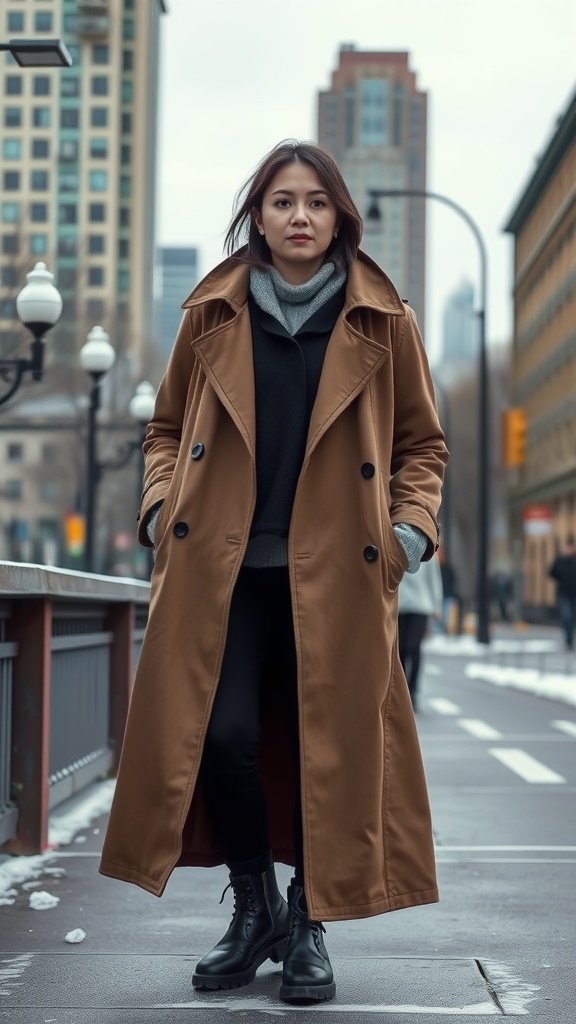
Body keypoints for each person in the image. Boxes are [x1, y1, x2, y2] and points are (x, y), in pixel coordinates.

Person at [99, 140, 448, 1005]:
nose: (300, 216)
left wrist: (407, 532)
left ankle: (308, 922)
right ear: (258, 215)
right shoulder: (210, 312)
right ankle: (253, 901)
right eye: (283, 201)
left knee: (321, 745)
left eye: (317, 203)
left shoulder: (384, 318)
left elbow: (423, 445)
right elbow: (164, 430)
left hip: (338, 573)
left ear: (340, 219)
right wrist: (156, 509)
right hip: (223, 568)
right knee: (217, 737)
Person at [398, 555, 443, 710]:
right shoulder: (395, 539)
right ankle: (402, 692)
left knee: (413, 647)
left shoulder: (427, 547)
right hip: (399, 605)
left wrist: (437, 605)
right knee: (400, 649)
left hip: (421, 606)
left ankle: (413, 690)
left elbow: (434, 579)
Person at [548, 534, 576, 650]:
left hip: (574, 594)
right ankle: (568, 640)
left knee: (572, 618)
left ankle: (570, 639)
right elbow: (551, 572)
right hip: (563, 594)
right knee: (567, 616)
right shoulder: (560, 560)